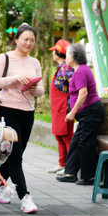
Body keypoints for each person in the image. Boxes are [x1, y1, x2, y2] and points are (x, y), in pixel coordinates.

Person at [0, 23, 44, 214]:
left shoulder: (35, 62)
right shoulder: (4, 58)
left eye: (32, 40)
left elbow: (42, 91)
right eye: (25, 39)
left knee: (15, 155)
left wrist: (35, 88)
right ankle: (25, 198)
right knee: (16, 155)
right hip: (8, 110)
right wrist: (14, 79)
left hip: (28, 112)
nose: (29, 43)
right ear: (17, 39)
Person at [56, 42, 105, 185]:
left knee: (86, 143)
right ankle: (70, 173)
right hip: (87, 113)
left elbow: (83, 93)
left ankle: (89, 177)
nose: (66, 57)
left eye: (67, 54)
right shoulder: (81, 70)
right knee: (76, 142)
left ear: (73, 56)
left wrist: (72, 112)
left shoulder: (81, 71)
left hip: (91, 111)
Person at [47, 39, 74, 175]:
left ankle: (69, 167)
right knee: (59, 135)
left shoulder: (66, 69)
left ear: (58, 53)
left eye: (54, 51)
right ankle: (62, 163)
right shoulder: (61, 68)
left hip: (65, 107)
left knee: (67, 136)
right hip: (58, 107)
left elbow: (74, 86)